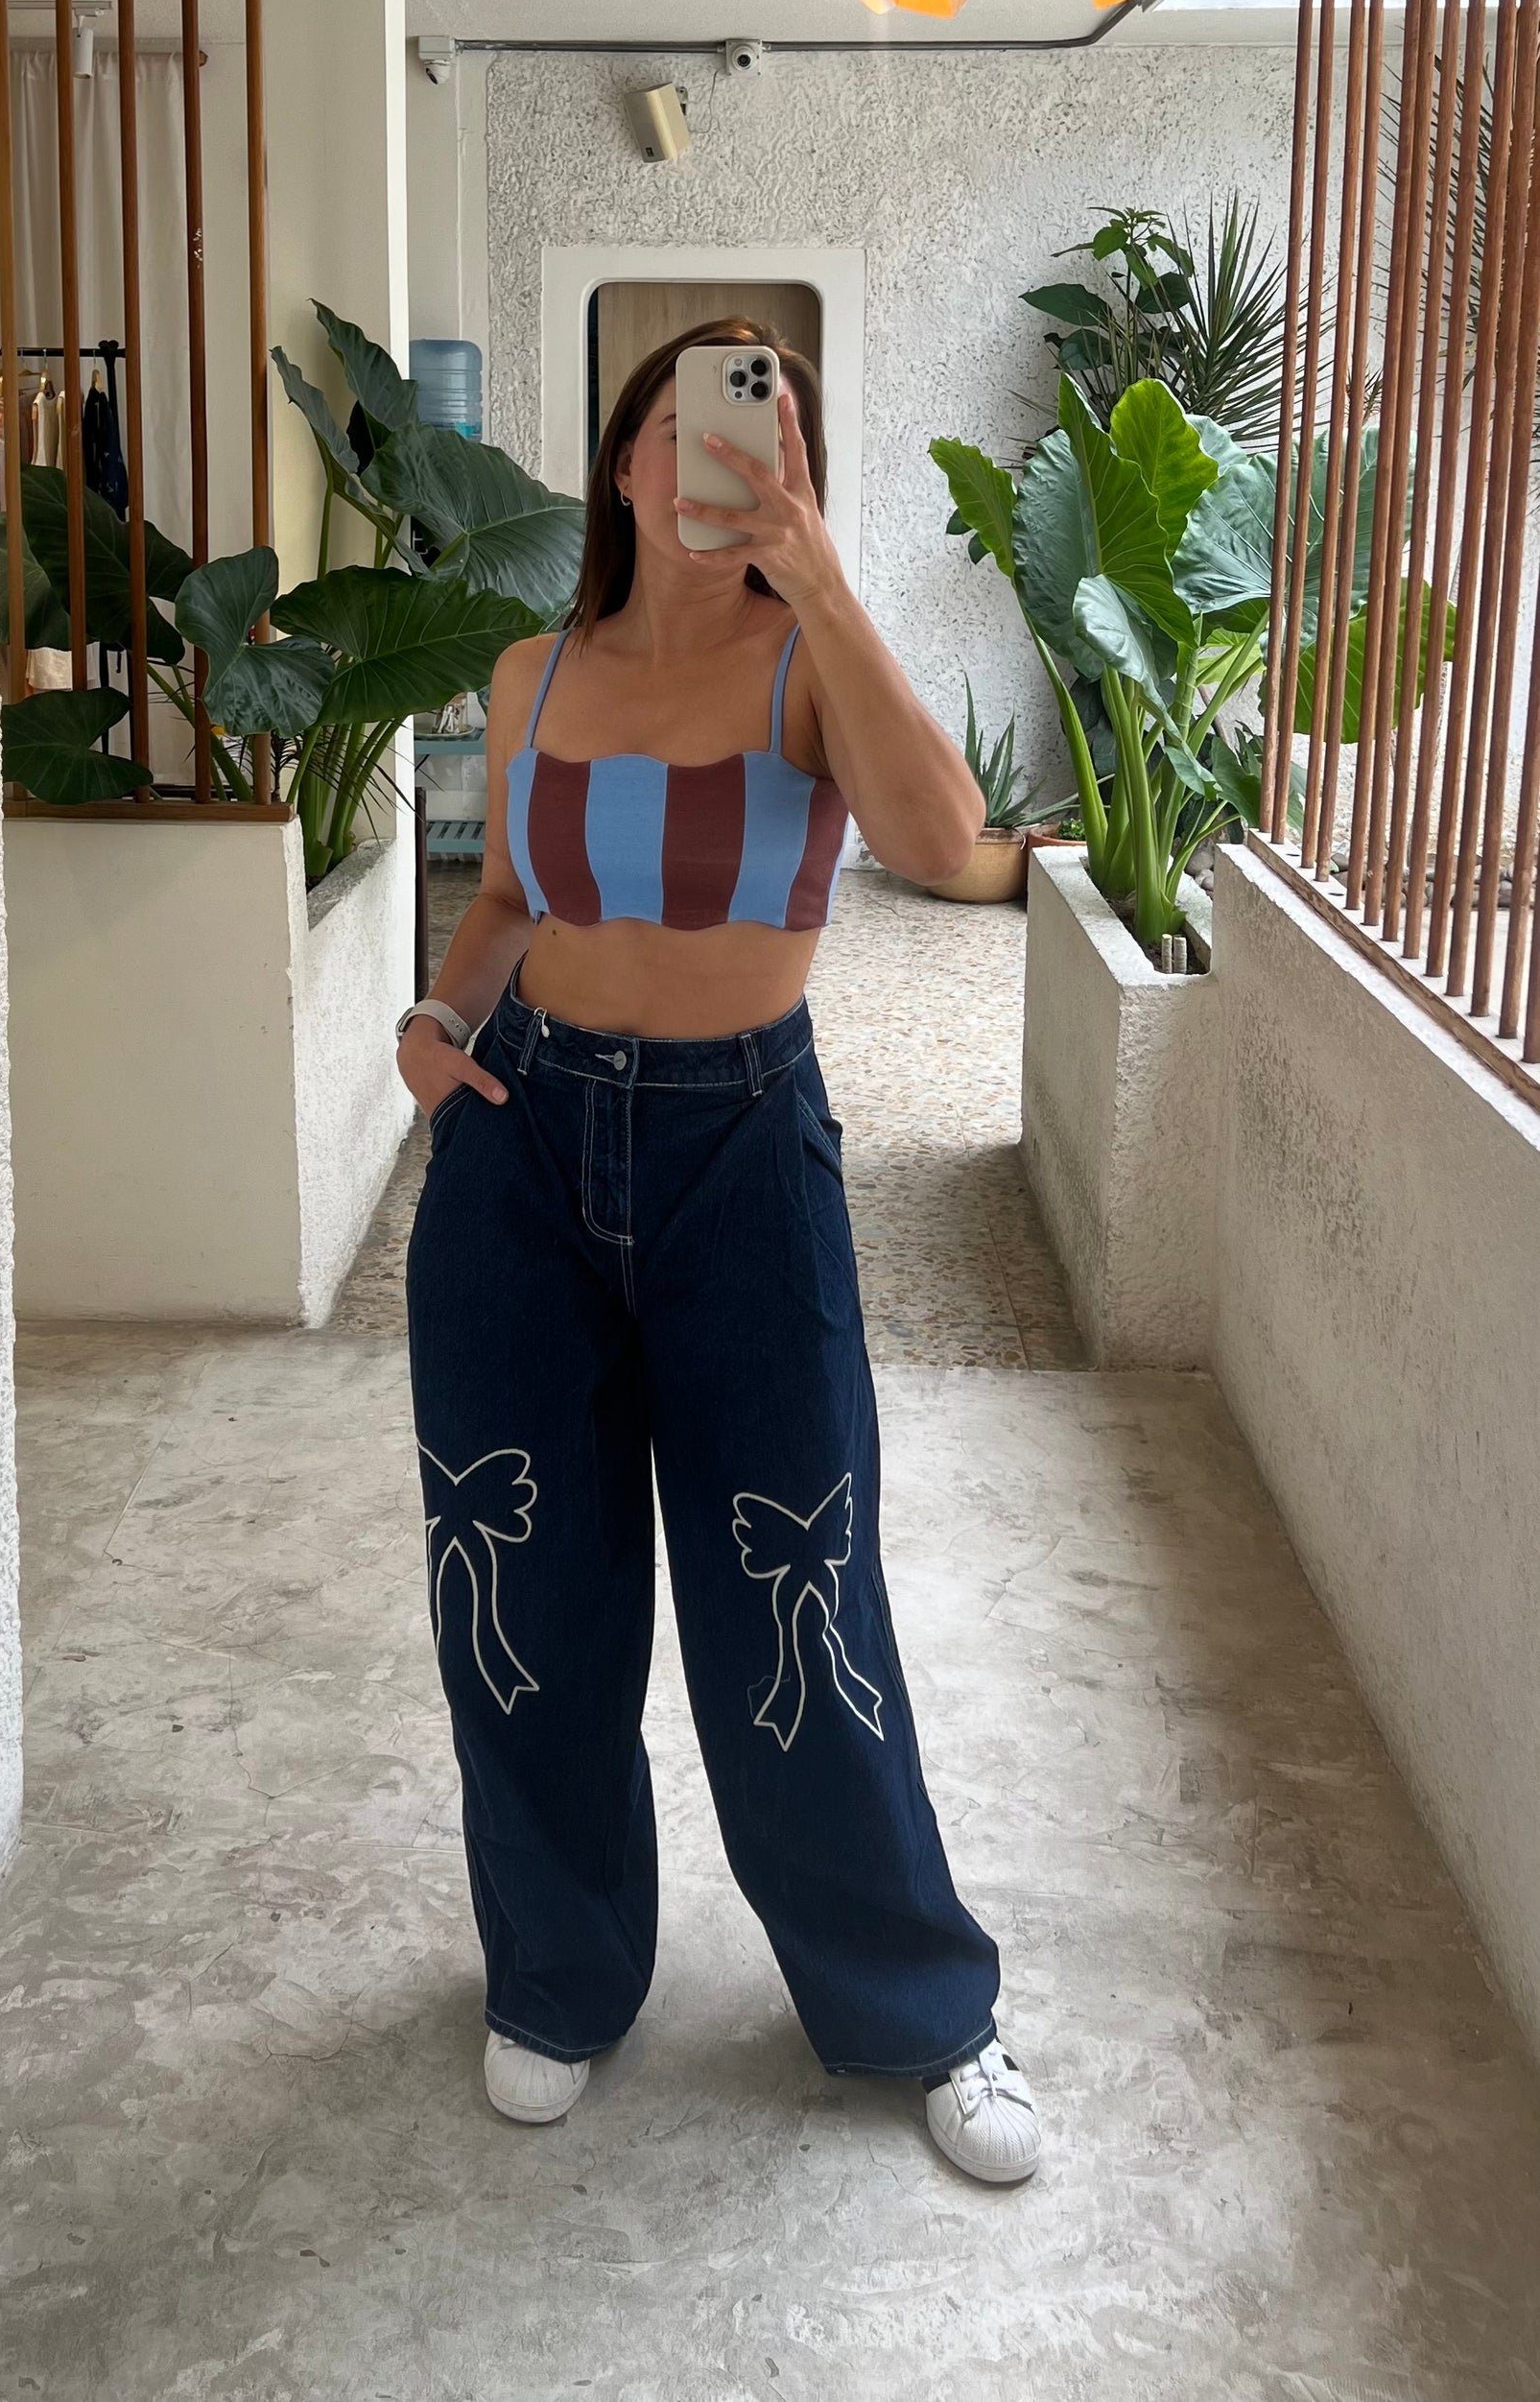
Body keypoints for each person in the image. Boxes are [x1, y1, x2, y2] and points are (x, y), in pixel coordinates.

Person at [394, 319, 1041, 2185]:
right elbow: (507, 895)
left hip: (741, 1148)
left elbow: (945, 841)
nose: (719, 456)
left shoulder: (802, 666)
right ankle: (557, 1974)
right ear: (624, 460)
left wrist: (820, 578)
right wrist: (436, 1026)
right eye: (685, 425)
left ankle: (918, 2005)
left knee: (797, 1593)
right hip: (521, 1148)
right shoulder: (531, 671)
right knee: (522, 1591)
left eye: (763, 427)